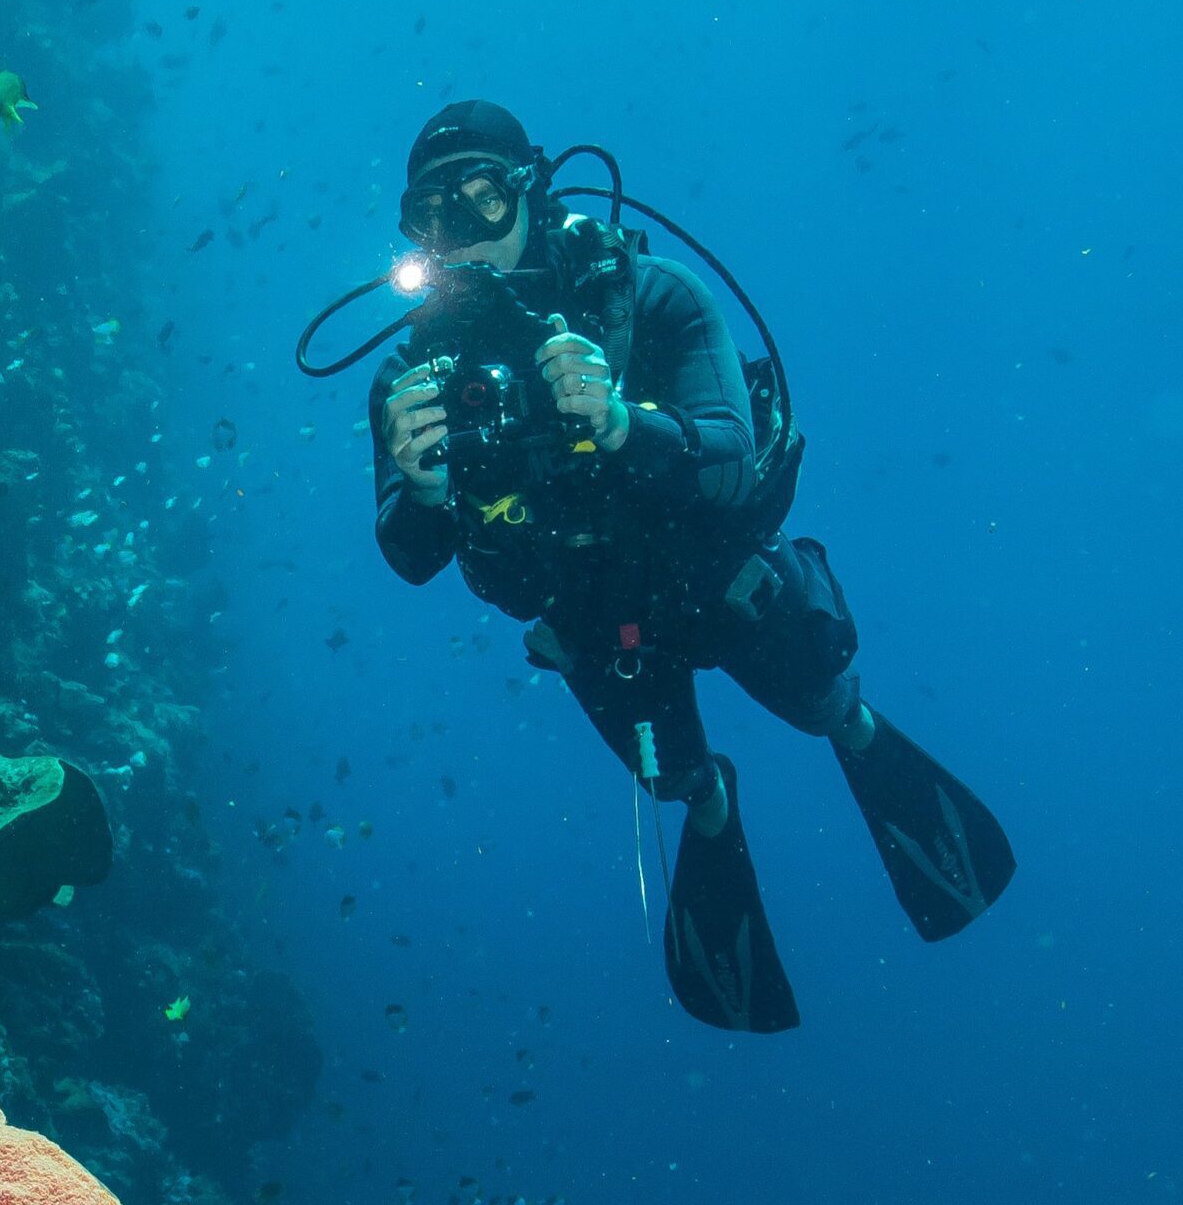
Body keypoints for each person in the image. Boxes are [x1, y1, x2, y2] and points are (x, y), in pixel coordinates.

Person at [365, 100, 1016, 1033]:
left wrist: (625, 425)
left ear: (533, 195)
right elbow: (407, 554)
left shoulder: (653, 297)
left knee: (818, 700)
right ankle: (708, 804)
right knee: (674, 778)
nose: (460, 232)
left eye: (483, 197)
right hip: (592, 627)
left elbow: (730, 459)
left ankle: (851, 725)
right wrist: (423, 490)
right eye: (435, 209)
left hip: (716, 582)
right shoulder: (407, 380)